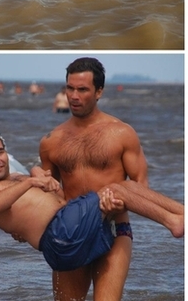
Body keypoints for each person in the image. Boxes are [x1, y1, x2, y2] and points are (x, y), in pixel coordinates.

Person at [0, 130, 183, 273]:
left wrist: (43, 179)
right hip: (59, 236)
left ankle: (181, 212)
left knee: (123, 187)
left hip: (69, 231)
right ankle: (174, 222)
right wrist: (31, 182)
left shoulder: (18, 178)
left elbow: (57, 201)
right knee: (115, 189)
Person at [39, 57, 149, 300]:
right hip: (71, 231)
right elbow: (45, 191)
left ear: (99, 91)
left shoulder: (122, 133)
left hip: (114, 226)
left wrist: (121, 202)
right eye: (70, 88)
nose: (74, 96)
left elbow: (141, 185)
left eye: (82, 89)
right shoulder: (51, 141)